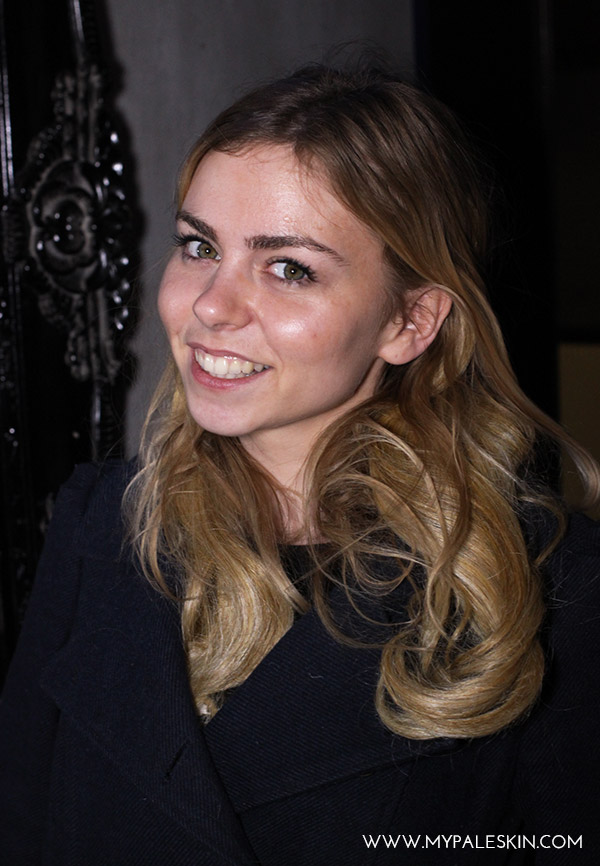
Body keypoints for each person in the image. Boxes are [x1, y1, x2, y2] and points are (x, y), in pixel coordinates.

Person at [1, 62, 599, 865]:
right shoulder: (99, 523)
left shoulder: (553, 591)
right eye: (199, 246)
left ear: (410, 322)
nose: (210, 305)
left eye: (289, 268)